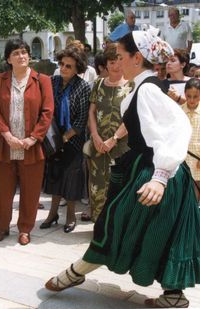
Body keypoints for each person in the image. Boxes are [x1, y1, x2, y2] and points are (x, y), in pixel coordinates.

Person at [44, 30, 200, 308]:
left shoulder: (148, 88)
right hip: (149, 168)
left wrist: (160, 178)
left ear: (137, 58)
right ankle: (173, 295)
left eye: (120, 56)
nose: (115, 62)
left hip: (156, 172)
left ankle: (76, 272)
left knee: (115, 224)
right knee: (156, 229)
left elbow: (178, 127)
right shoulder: (143, 87)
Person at [0, 39, 54, 245]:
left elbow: (47, 111)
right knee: (3, 191)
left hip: (31, 147)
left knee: (31, 190)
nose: (22, 56)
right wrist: (6, 134)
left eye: (24, 52)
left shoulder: (42, 80)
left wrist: (33, 138)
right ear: (8, 59)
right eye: (16, 53)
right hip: (5, 146)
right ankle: (3, 226)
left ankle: (25, 229)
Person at [41, 47, 91, 233]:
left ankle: (70, 216)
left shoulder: (83, 87)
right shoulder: (52, 82)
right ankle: (52, 214)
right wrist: (53, 138)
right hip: (52, 139)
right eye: (61, 64)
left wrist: (64, 138)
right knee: (54, 177)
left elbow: (81, 120)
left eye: (68, 66)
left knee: (71, 179)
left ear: (77, 68)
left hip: (73, 140)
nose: (63, 68)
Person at [83, 43, 130, 222]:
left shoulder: (132, 85)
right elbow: (91, 112)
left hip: (121, 146)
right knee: (97, 185)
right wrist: (95, 136)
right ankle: (98, 225)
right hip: (98, 145)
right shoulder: (99, 84)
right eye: (111, 61)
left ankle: (116, 227)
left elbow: (130, 118)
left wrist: (114, 138)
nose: (115, 65)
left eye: (118, 60)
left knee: (119, 186)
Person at [183, 78, 200, 191]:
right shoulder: (178, 111)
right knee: (184, 188)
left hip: (198, 157)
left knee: (196, 189)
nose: (192, 100)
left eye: (196, 96)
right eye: (189, 96)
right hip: (183, 157)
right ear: (184, 94)